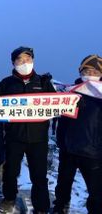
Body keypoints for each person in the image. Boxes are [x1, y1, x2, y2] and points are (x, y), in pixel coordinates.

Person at [0, 46, 56, 214]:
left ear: (33, 61)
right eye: (20, 60)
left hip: (39, 137)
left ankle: (41, 208)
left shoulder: (43, 82)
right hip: (15, 135)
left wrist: (73, 103)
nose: (24, 63)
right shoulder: (6, 83)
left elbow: (58, 104)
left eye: (27, 59)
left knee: (39, 175)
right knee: (11, 171)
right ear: (13, 63)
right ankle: (9, 199)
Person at [53, 55, 102, 214]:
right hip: (68, 149)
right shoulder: (70, 92)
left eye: (94, 70)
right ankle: (60, 208)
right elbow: (61, 120)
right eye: (86, 70)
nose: (90, 73)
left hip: (93, 152)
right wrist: (62, 143)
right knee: (62, 187)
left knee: (96, 193)